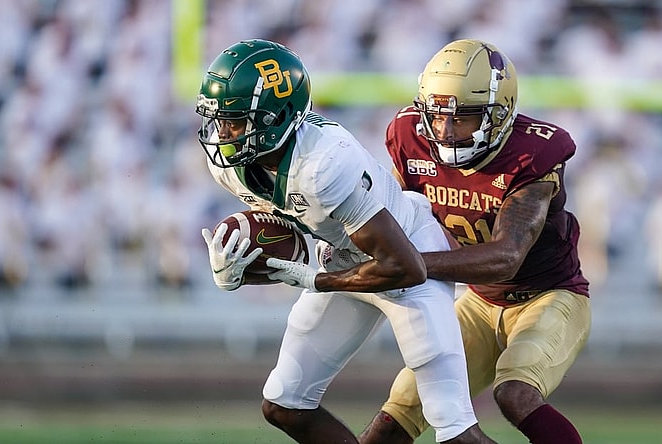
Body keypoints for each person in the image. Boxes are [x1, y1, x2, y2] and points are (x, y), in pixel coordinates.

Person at [195, 39, 496, 444]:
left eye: (235, 121)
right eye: (220, 120)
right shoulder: (231, 169)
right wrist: (239, 270)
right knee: (285, 404)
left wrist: (317, 280)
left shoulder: (324, 163)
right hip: (344, 260)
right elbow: (297, 237)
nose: (223, 133)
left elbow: (404, 267)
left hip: (408, 261)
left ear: (276, 117)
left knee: (453, 432)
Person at [357, 39, 592, 444]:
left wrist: (410, 262)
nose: (446, 131)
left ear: (498, 114)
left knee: (515, 393)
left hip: (549, 295)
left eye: (463, 118)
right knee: (400, 410)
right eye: (437, 115)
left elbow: (505, 257)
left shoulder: (531, 154)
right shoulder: (408, 136)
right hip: (480, 301)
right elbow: (397, 215)